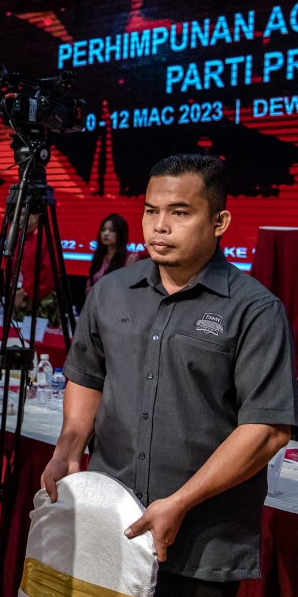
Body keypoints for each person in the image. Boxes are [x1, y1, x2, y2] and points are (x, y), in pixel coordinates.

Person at [42, 154, 297, 597]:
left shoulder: (255, 309)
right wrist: (69, 446)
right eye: (151, 210)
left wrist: (180, 502)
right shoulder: (111, 292)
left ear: (219, 222)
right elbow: (87, 376)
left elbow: (267, 430)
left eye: (179, 212)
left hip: (203, 544)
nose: (159, 226)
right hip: (111, 526)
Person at [85, 213, 138, 295]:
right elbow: (89, 287)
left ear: (121, 233)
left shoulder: (129, 258)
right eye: (103, 229)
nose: (105, 233)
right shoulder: (99, 257)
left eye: (112, 230)